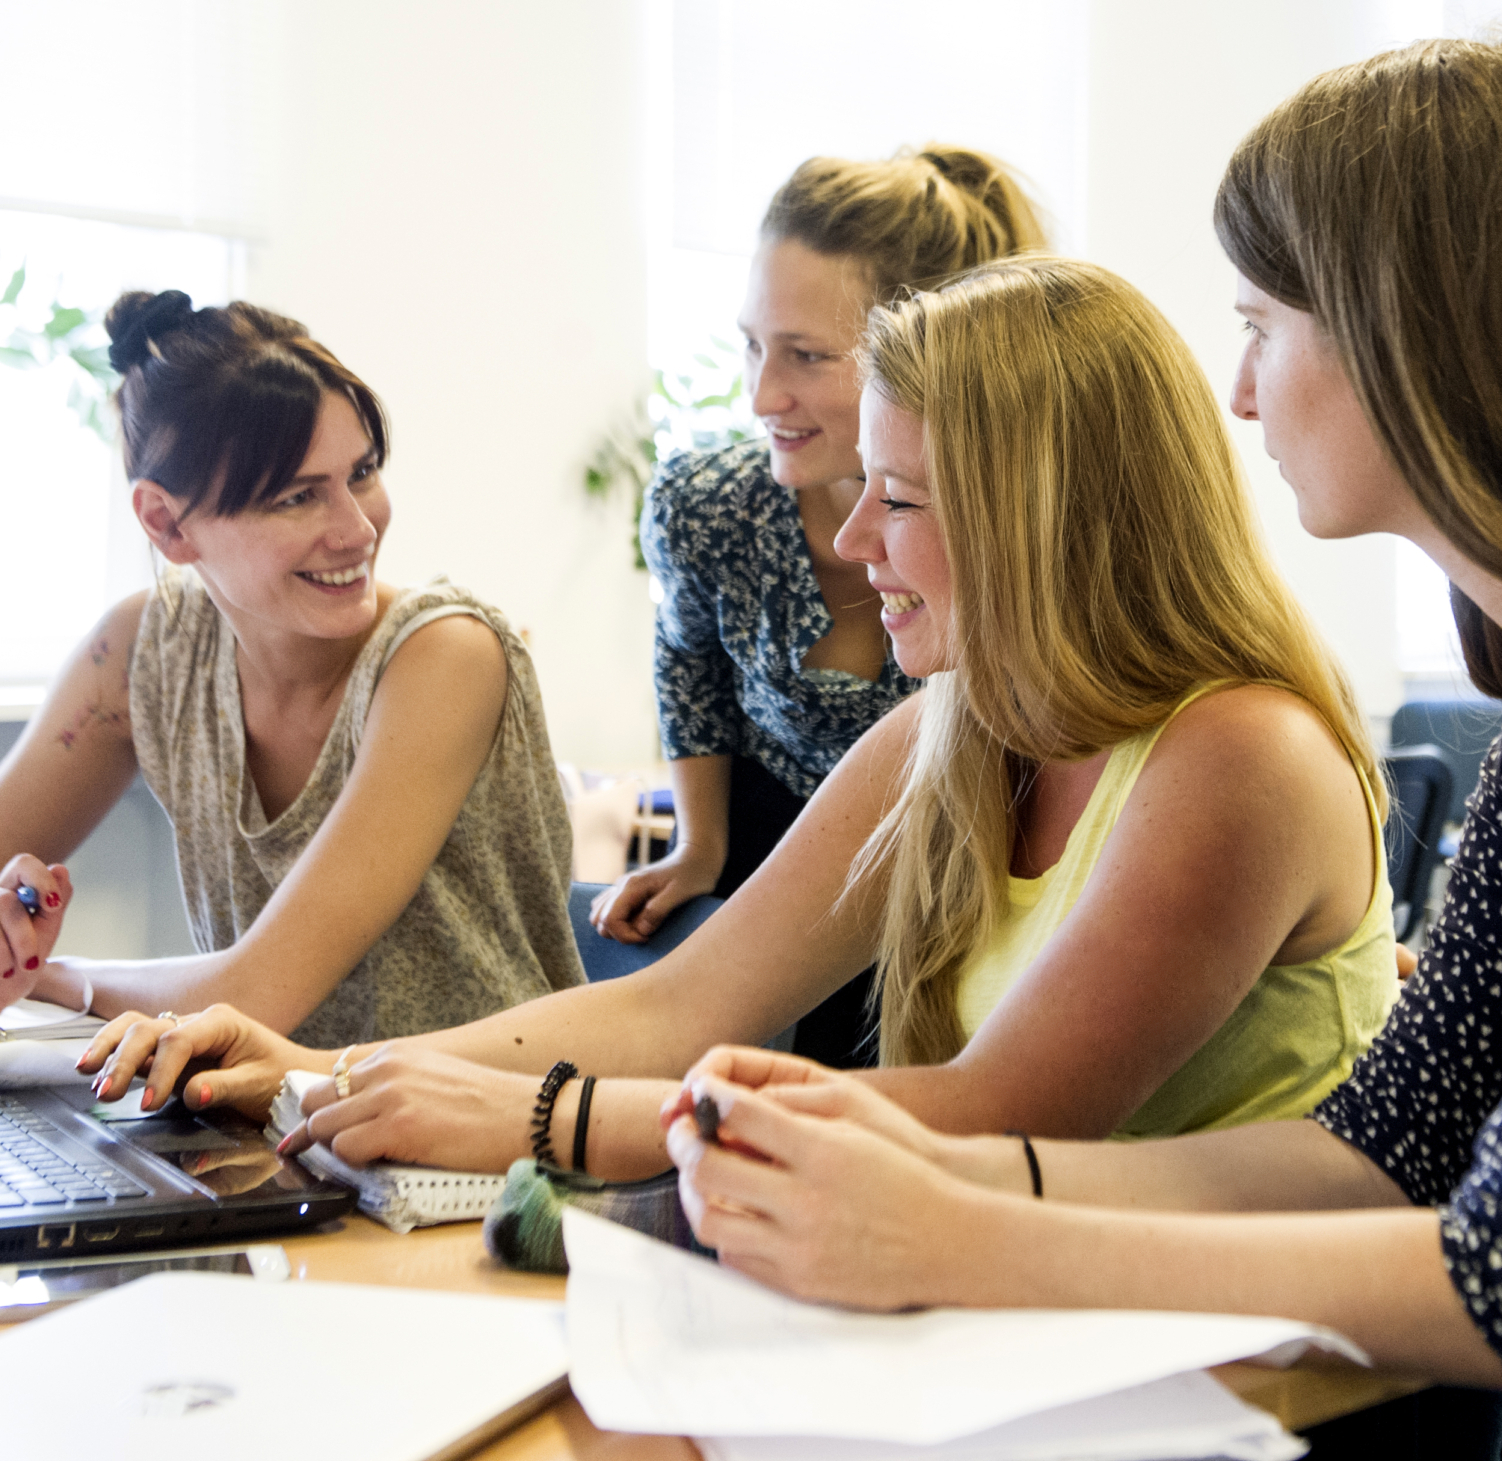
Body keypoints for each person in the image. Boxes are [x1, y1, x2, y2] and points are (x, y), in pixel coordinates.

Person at [79, 257, 1398, 1178]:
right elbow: (682, 1004)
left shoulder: (1238, 757)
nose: (857, 536)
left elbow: (989, 1114)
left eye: (903, 497)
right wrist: (320, 1067)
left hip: (1246, 1385)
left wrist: (538, 1119)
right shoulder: (952, 733)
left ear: (1039, 516)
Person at [660, 38, 1502, 1395]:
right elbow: (1378, 1152)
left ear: (1408, 333)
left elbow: (1485, 1274)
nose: (1237, 390)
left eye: (1260, 325)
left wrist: (974, 1228)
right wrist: (952, 1177)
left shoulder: (1239, 748)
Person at [0, 291, 583, 1056]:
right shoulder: (141, 654)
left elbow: (257, 994)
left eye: (361, 473)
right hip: (272, 1134)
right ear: (166, 523)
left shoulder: (445, 655)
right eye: (299, 497)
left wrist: (34, 974)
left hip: (488, 1147)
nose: (357, 529)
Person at [593, 147, 1044, 1068]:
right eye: (753, 344)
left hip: (955, 877)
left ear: (928, 357)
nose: (761, 395)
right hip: (775, 861)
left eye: (805, 356)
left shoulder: (1016, 543)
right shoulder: (708, 502)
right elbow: (689, 666)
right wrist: (700, 842)